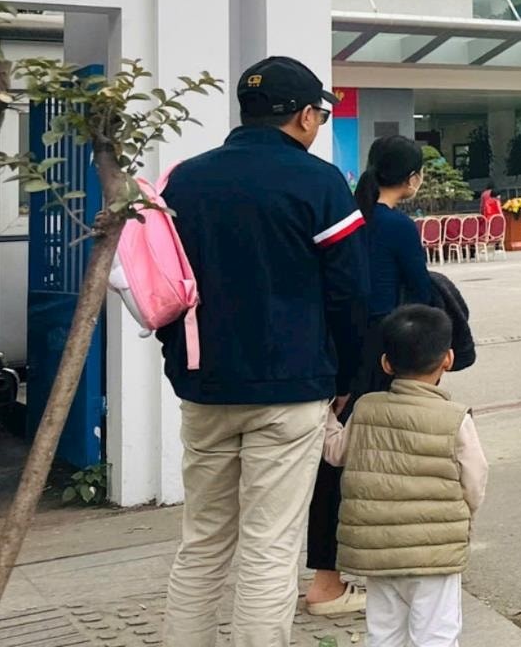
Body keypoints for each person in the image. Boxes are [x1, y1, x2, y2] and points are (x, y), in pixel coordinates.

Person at [159, 57, 365, 647]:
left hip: (205, 385)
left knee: (202, 542)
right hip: (291, 388)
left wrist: (183, 362)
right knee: (270, 547)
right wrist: (346, 379)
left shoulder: (183, 181)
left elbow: (165, 281)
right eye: (320, 113)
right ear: (304, 116)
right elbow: (349, 293)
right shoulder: (319, 182)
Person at [306, 137, 437, 617]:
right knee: (382, 463)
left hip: (338, 350)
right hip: (382, 355)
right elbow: (422, 295)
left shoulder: (347, 217)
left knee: (336, 463)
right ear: (412, 179)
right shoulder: (397, 226)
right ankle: (344, 582)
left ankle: (330, 576)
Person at [323, 305, 488, 647]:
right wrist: (464, 515)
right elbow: (475, 477)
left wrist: (326, 415)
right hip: (434, 553)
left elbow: (335, 453)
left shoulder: (366, 408)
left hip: (378, 551)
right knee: (436, 634)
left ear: (386, 363)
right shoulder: (455, 418)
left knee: (384, 632)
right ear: (448, 359)